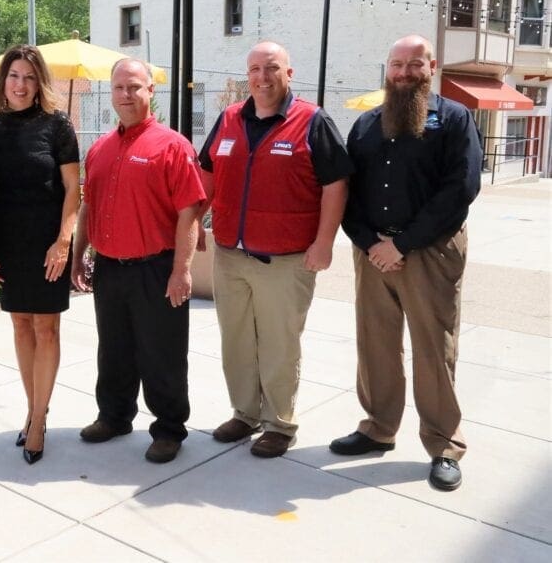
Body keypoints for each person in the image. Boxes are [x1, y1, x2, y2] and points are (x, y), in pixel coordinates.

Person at [331, 34, 481, 491]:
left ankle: (443, 445)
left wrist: (403, 244)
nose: (404, 72)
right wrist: (370, 242)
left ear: (431, 67)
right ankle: (378, 428)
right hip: (374, 252)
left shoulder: (455, 119)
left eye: (414, 64)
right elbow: (347, 191)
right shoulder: (366, 124)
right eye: (397, 64)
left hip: (430, 253)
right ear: (387, 68)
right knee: (375, 344)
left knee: (434, 349)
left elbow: (461, 188)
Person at [198, 41, 351, 458]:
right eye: (254, 69)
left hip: (286, 260)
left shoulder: (313, 121)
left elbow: (336, 184)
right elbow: (206, 173)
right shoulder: (228, 119)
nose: (262, 77)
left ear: (289, 73)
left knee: (279, 344)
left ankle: (279, 423)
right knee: (236, 340)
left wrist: (324, 243)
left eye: (271, 68)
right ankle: (245, 414)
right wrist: (195, 222)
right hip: (230, 256)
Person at [71, 58, 205, 464]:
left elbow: (190, 213)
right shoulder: (99, 149)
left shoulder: (172, 146)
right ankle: (114, 416)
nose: (126, 95)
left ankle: (168, 428)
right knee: (113, 350)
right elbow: (87, 207)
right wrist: (79, 256)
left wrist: (181, 271)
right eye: (119, 88)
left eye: (135, 87)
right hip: (110, 268)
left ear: (151, 91)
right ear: (110, 93)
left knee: (161, 352)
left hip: (156, 268)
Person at [0, 45, 81, 465]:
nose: (21, 85)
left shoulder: (58, 126)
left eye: (29, 77)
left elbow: (74, 189)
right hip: (8, 240)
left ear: (40, 83)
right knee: (20, 325)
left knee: (47, 329)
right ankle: (34, 408)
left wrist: (64, 241)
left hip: (47, 240)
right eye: (14, 76)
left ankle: (38, 422)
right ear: (4, 81)